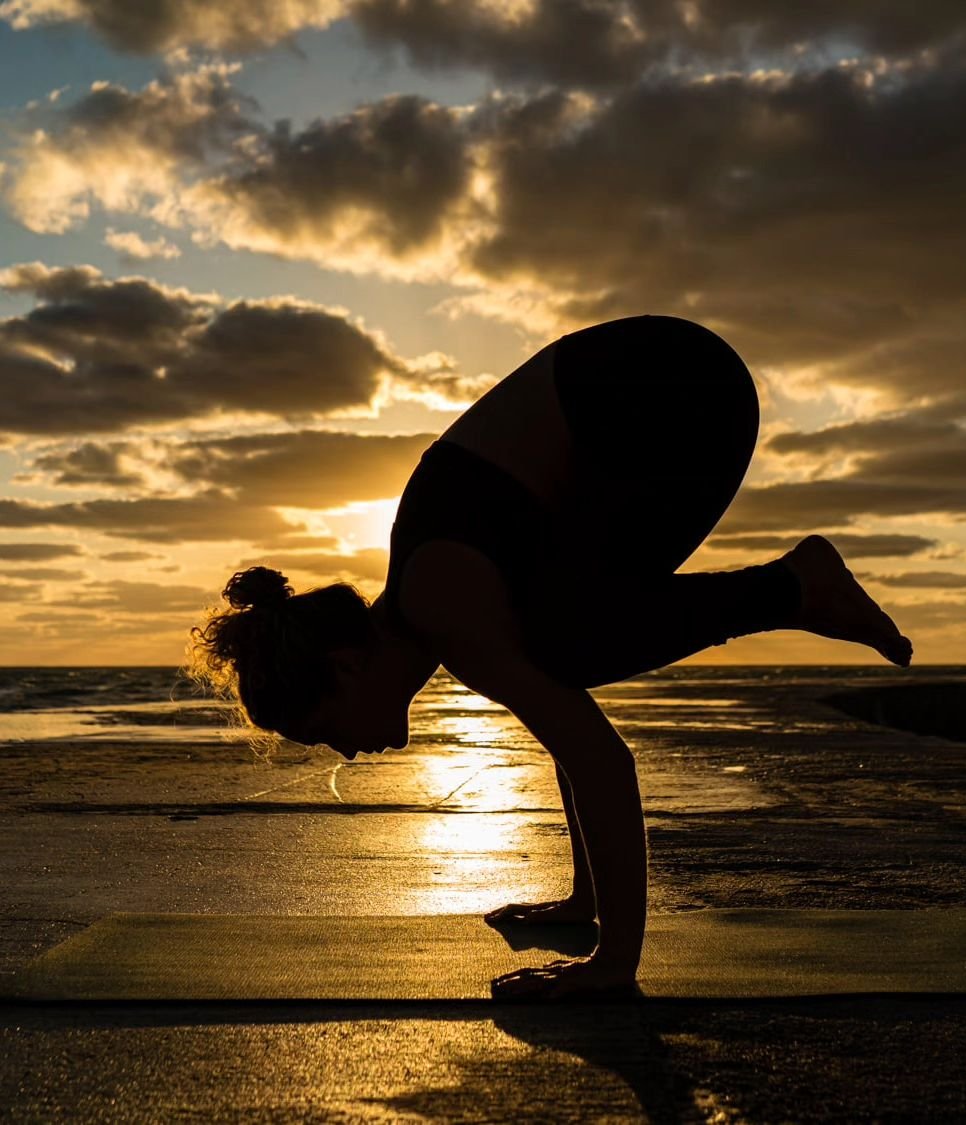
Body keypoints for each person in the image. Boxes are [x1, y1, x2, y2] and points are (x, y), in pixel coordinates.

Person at [189, 314, 912, 1002]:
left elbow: (601, 758)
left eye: (323, 730)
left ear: (345, 668)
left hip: (671, 385)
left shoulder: (441, 604)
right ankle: (793, 588)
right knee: (557, 650)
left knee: (561, 646)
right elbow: (568, 723)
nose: (345, 753)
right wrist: (582, 903)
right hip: (663, 385)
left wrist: (610, 967)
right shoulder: (439, 597)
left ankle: (795, 586)